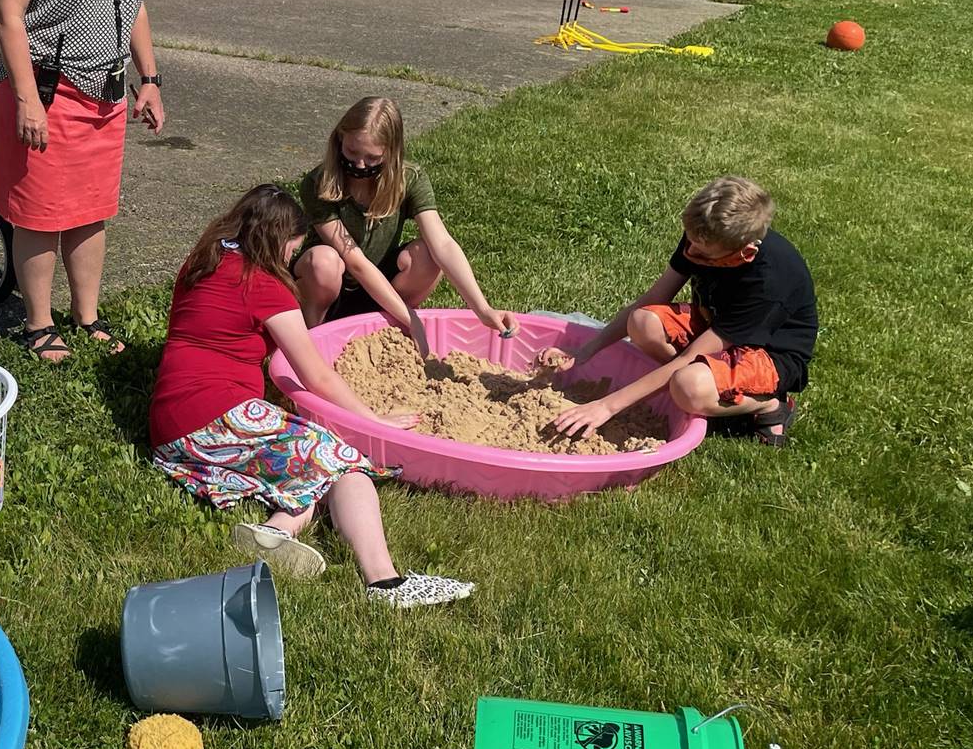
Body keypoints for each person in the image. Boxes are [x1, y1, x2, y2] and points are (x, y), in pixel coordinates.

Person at [148, 184, 474, 608]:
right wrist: (372, 419)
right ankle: (386, 582)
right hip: (222, 417)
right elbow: (316, 375)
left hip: (170, 429)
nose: (291, 259)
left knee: (307, 466)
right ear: (279, 241)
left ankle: (278, 530)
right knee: (343, 461)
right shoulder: (265, 286)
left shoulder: (203, 260)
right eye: (292, 249)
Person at [0, 0, 165, 363]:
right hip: (46, 92)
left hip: (106, 96)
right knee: (41, 215)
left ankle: (87, 315)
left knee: (91, 210)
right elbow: (8, 15)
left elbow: (132, 0)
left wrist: (150, 78)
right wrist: (25, 99)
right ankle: (39, 324)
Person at [542, 176, 816, 446]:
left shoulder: (768, 282)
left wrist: (607, 406)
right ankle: (703, 389)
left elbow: (689, 359)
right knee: (642, 321)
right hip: (716, 326)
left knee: (688, 387)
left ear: (742, 253)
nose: (691, 252)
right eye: (690, 242)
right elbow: (650, 300)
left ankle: (769, 404)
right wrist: (587, 350)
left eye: (703, 254)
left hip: (769, 354)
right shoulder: (704, 236)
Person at [293, 97, 515, 355]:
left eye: (372, 158)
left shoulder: (409, 179)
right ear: (340, 138)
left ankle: (388, 321)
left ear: (392, 152)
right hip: (332, 282)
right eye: (352, 152)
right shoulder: (319, 183)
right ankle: (311, 339)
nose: (360, 165)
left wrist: (482, 308)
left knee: (428, 255)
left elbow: (442, 243)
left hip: (379, 278)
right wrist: (412, 318)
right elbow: (355, 262)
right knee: (325, 261)